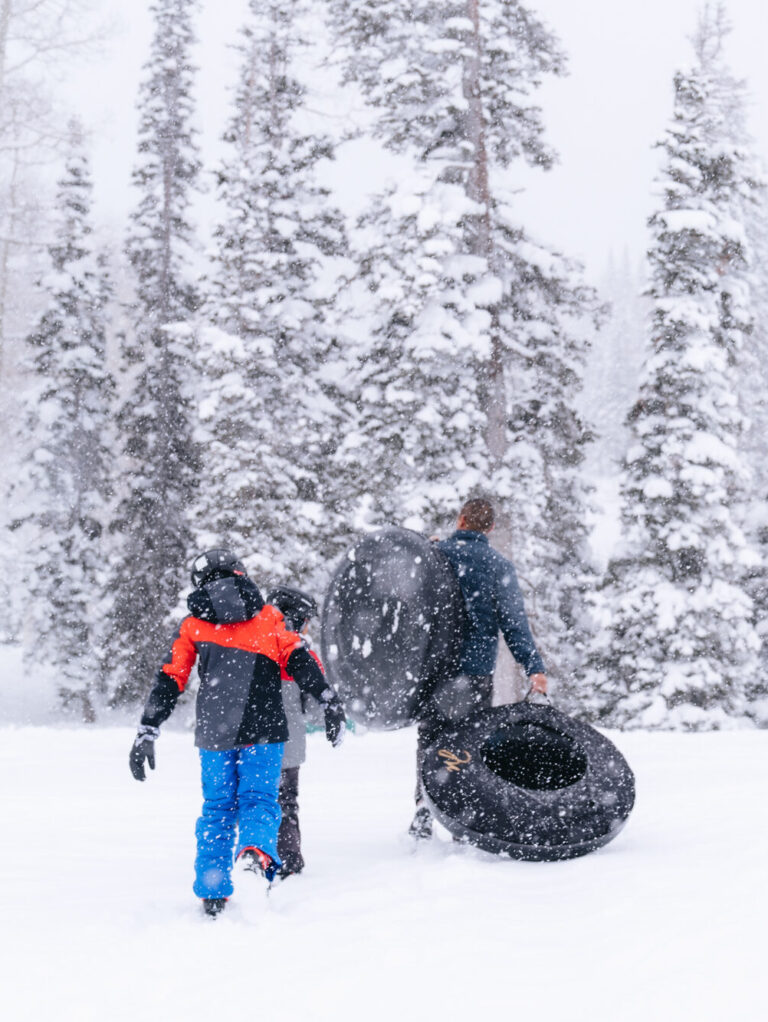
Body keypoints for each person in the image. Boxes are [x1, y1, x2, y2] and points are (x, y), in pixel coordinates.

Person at [128, 549, 346, 918]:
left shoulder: (193, 626)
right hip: (265, 730)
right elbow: (298, 660)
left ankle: (213, 890)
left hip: (215, 734)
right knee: (259, 801)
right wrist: (328, 699)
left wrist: (148, 728)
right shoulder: (270, 618)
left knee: (217, 809)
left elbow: (170, 677)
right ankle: (254, 856)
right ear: (239, 573)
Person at [410, 498, 548, 840]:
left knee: (430, 739)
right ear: (490, 528)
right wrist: (534, 667)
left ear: (461, 520)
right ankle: (462, 817)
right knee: (468, 743)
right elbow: (514, 624)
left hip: (435, 668)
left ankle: (424, 807)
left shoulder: (435, 555)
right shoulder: (498, 566)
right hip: (474, 671)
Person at [266, 586, 328, 880]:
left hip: (248, 744)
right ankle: (288, 860)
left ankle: (255, 854)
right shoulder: (302, 655)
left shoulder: (253, 645)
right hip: (287, 746)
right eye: (305, 622)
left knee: (254, 802)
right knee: (286, 803)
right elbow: (316, 712)